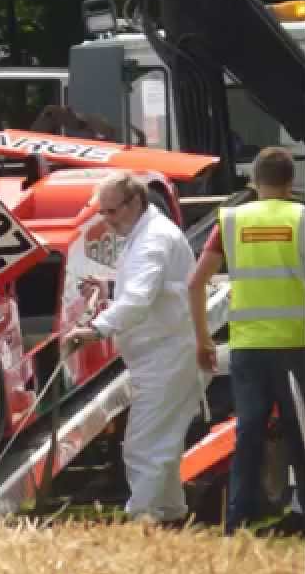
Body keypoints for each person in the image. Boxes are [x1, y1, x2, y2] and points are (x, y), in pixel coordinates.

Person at [62, 172, 203, 525]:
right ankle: (170, 514)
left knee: (144, 445)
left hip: (164, 355)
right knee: (161, 443)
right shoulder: (148, 235)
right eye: (103, 212)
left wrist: (95, 329)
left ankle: (142, 519)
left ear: (136, 202)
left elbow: (140, 299)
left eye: (112, 212)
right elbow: (155, 291)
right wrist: (111, 289)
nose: (108, 221)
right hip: (163, 352)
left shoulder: (152, 240)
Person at [187, 146, 305, 535]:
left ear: (254, 181)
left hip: (248, 347)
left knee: (248, 433)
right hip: (295, 345)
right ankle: (303, 513)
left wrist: (204, 340)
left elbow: (195, 283)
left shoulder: (232, 220)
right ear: (292, 182)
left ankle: (237, 521)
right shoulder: (302, 219)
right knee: (299, 433)